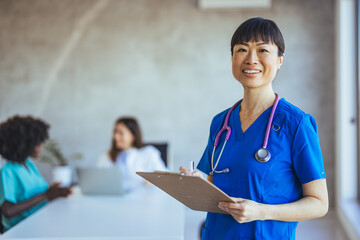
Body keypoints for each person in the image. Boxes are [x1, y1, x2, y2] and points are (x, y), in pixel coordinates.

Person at [180, 17, 328, 239]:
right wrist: (195, 181)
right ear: (232, 58)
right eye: (242, 49)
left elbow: (319, 203)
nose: (251, 59)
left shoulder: (296, 124)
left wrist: (262, 211)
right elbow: (216, 179)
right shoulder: (221, 122)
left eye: (262, 50)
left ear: (280, 60)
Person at [0, 116, 72, 231]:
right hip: (20, 231)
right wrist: (46, 195)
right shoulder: (8, 171)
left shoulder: (29, 164)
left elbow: (36, 193)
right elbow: (8, 211)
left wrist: (55, 191)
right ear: (24, 145)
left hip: (38, 223)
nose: (41, 148)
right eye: (38, 144)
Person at [98, 117, 167, 191]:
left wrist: (152, 182)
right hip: (114, 199)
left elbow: (165, 178)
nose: (115, 136)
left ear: (133, 135)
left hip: (142, 198)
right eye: (115, 132)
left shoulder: (148, 153)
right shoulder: (108, 155)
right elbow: (98, 179)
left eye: (121, 133)